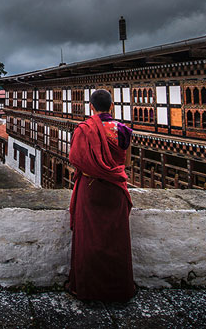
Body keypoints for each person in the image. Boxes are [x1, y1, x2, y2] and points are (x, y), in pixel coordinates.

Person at [66, 89, 135, 302]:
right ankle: (118, 289)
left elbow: (75, 159)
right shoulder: (123, 130)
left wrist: (95, 167)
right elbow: (127, 163)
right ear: (112, 106)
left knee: (88, 238)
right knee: (116, 239)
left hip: (90, 188)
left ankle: (87, 288)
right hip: (115, 189)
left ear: (91, 107)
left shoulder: (84, 129)